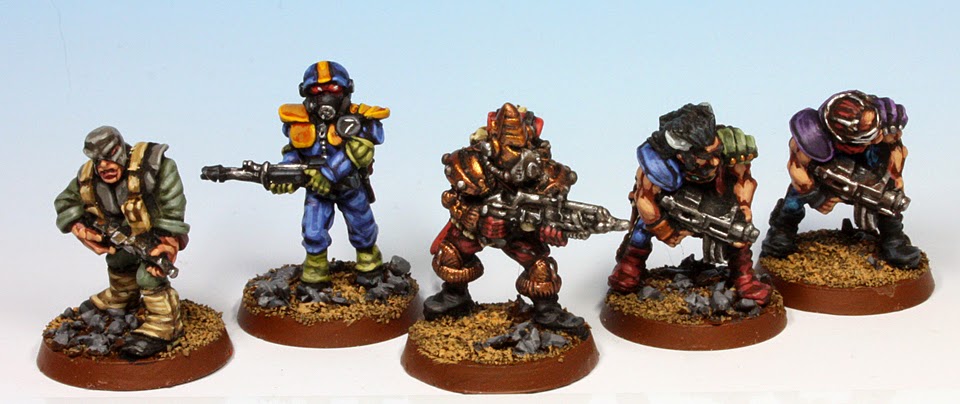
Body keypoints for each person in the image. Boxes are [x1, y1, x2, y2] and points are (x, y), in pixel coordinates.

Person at [424, 103, 587, 334]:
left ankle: (547, 310)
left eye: (526, 146)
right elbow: (453, 200)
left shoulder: (544, 171)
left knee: (541, 267)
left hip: (519, 231)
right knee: (452, 253)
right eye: (513, 147)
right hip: (476, 228)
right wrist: (476, 219)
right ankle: (454, 295)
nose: (522, 154)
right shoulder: (473, 163)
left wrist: (549, 230)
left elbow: (551, 211)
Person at [607, 103, 771, 304]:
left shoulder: (732, 149)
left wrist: (744, 205)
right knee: (642, 229)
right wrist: (663, 228)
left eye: (716, 151)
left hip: (717, 202)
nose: (715, 161)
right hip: (673, 206)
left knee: (738, 233)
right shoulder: (660, 165)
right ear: (683, 156)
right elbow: (644, 199)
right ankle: (629, 268)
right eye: (705, 156)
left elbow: (744, 180)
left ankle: (744, 278)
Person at [55, 126, 189, 357]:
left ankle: (165, 323)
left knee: (149, 275)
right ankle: (122, 296)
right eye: (97, 160)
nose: (104, 166)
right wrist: (79, 227)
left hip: (151, 235)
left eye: (110, 155)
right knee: (117, 260)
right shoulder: (88, 177)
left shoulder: (154, 167)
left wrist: (169, 238)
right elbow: (66, 202)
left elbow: (172, 203)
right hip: (117, 237)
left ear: (121, 148)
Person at [761, 90, 919, 268]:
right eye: (868, 137)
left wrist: (896, 176)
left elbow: (896, 149)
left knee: (887, 200)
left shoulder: (882, 124)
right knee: (794, 199)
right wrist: (815, 195)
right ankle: (781, 231)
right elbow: (796, 168)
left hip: (869, 171)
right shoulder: (812, 137)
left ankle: (894, 240)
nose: (877, 139)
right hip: (826, 171)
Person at [271, 61, 390, 289]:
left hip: (349, 186)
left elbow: (360, 151)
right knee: (313, 229)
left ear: (346, 90)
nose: (325, 98)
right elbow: (294, 152)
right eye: (317, 91)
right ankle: (316, 271)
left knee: (362, 226)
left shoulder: (361, 118)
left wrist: (328, 174)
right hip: (317, 189)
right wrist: (285, 174)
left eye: (333, 90)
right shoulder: (300, 121)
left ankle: (369, 265)